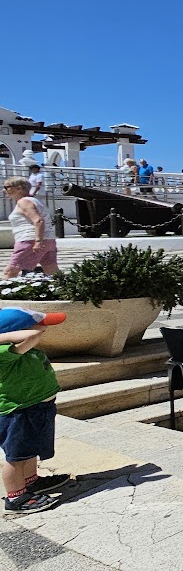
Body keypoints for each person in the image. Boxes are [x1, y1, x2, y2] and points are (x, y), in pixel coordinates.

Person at [0, 308, 69, 514]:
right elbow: (33, 335)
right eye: (35, 324)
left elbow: (33, 334)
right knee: (16, 456)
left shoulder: (25, 349)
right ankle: (16, 497)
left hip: (36, 406)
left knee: (29, 450)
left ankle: (31, 481)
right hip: (18, 411)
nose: (42, 328)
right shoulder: (5, 352)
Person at [3, 178, 58, 278]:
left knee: (10, 271)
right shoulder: (35, 201)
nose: (4, 190)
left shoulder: (23, 202)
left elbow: (38, 221)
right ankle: (66, 291)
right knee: (51, 269)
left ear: (18, 188)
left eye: (6, 187)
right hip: (48, 240)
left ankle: (4, 292)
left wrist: (38, 241)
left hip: (29, 240)